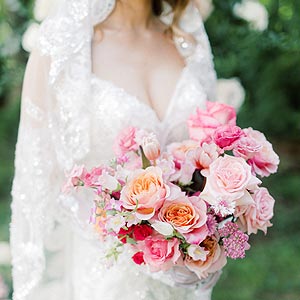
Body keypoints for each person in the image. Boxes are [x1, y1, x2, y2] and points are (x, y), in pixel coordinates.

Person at [10, 1, 221, 299]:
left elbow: (212, 153)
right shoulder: (63, 48)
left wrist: (212, 234)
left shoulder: (188, 42)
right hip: (105, 276)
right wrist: (130, 236)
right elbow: (39, 183)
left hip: (186, 273)